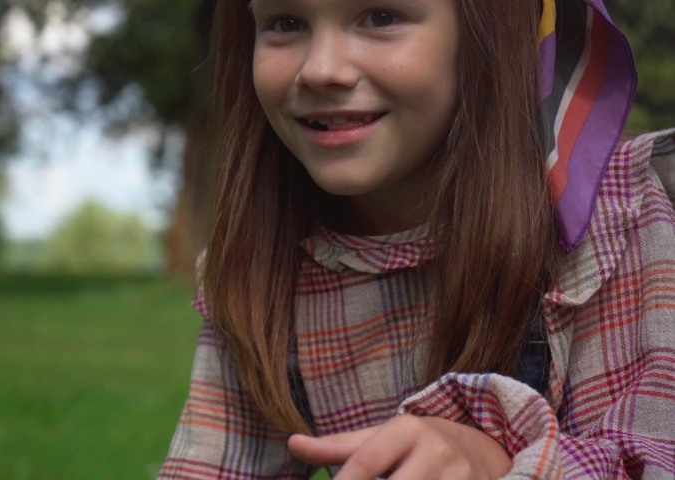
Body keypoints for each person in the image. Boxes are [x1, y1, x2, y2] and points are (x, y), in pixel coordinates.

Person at [158, 0, 675, 478]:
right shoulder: (265, 274)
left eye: (381, 16)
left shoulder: (617, 220)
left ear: (483, 32)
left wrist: (501, 464)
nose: (320, 69)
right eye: (285, 22)